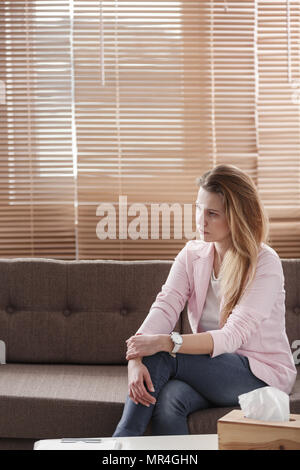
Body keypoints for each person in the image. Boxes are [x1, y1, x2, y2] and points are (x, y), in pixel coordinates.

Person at [112, 164, 297, 437]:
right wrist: (134, 359)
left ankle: (119, 445)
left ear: (237, 217)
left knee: (164, 353)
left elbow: (233, 336)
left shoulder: (264, 262)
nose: (201, 221)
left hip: (259, 376)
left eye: (212, 214)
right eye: (199, 209)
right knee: (168, 401)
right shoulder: (192, 254)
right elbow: (165, 305)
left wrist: (164, 342)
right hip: (213, 370)